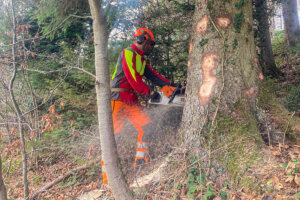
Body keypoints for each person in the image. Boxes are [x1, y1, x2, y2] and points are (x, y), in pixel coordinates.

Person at [110, 28, 173, 170]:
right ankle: (108, 174)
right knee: (115, 136)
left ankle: (140, 161)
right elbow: (132, 76)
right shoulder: (128, 53)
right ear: (141, 39)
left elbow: (152, 75)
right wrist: (148, 92)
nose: (150, 46)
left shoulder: (141, 59)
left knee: (147, 127)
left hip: (131, 99)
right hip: (118, 98)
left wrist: (169, 84)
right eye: (149, 43)